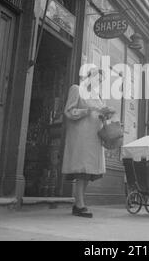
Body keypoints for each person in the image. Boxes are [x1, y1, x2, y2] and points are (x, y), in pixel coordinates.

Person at [62, 67, 115, 217]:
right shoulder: (76, 89)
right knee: (82, 171)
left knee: (87, 173)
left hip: (94, 138)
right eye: (96, 78)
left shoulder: (97, 96)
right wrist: (87, 111)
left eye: (100, 80)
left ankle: (79, 203)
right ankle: (79, 205)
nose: (98, 82)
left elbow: (97, 114)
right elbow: (68, 111)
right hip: (81, 138)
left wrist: (105, 115)